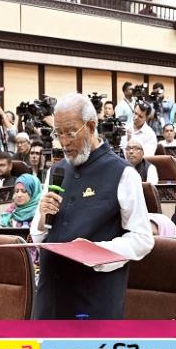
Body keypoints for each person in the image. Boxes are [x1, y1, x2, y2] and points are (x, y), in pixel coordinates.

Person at [31, 93, 154, 319]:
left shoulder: (123, 173)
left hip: (93, 299)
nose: (64, 142)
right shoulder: (56, 171)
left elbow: (142, 238)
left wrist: (98, 253)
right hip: (50, 299)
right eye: (58, 133)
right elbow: (39, 236)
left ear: (90, 126)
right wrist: (41, 217)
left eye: (70, 132)